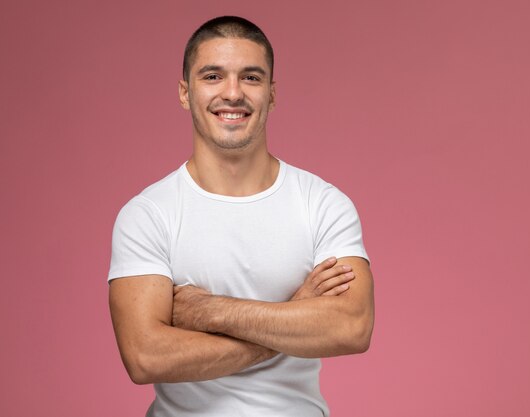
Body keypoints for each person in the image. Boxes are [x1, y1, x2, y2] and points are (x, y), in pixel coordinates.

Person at [108, 15, 374, 417]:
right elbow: (145, 357)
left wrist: (209, 311)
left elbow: (352, 328)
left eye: (250, 78)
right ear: (185, 92)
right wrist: (293, 314)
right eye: (213, 76)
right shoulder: (148, 215)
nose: (232, 93)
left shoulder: (321, 203)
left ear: (271, 93)